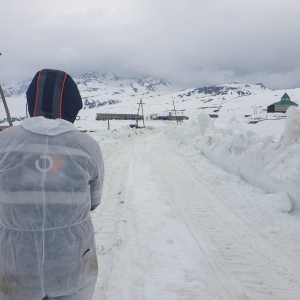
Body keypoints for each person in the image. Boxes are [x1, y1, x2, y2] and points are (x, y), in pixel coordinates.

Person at [0, 69, 104, 300]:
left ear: (30, 102)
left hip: (14, 263)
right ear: (73, 106)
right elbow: (94, 201)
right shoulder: (87, 146)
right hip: (71, 263)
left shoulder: (4, 142)